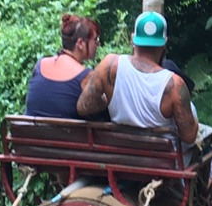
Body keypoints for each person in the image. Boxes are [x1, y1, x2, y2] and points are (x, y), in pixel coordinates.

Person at [76, 10, 199, 148]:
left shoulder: (109, 66)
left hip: (121, 155)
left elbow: (84, 107)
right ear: (164, 43)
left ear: (132, 38)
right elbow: (189, 137)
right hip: (163, 162)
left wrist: (110, 100)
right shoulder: (174, 84)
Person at [23, 13, 100, 118]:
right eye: (95, 40)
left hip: (27, 133)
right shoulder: (86, 76)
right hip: (64, 134)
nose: (97, 45)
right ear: (80, 43)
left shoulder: (40, 64)